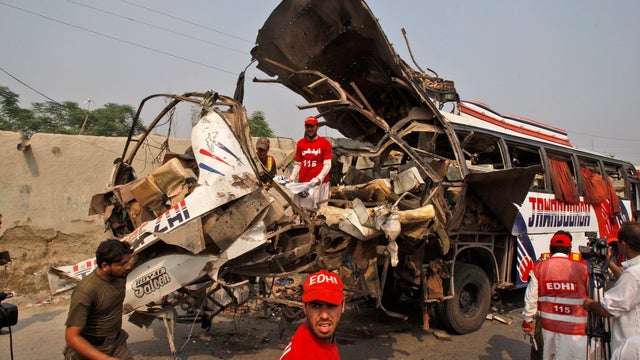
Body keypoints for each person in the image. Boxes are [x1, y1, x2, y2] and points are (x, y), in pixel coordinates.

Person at [522, 230, 589, 360]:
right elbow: (594, 300)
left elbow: (531, 297)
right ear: (569, 249)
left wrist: (527, 320)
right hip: (576, 331)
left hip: (548, 328)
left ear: (550, 248)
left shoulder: (539, 268)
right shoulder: (584, 269)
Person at [64, 239, 134, 360]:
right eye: (122, 264)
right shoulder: (86, 290)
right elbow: (71, 337)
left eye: (128, 261)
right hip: (90, 348)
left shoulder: (120, 275)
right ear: (105, 266)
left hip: (117, 343)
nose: (128, 266)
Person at [583, 222, 640, 354]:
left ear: (624, 244)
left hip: (630, 346)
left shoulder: (632, 275)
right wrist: (609, 263)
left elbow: (606, 310)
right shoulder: (633, 272)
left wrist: (587, 303)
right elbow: (629, 281)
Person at [281, 269, 345, 360]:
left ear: (343, 306)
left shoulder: (326, 341)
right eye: (316, 306)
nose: (324, 315)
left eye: (332, 305)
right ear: (304, 307)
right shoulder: (296, 355)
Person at [287, 116, 332, 211]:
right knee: (303, 213)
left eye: (312, 126)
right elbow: (298, 164)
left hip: (320, 185)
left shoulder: (325, 143)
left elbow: (327, 164)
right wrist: (292, 177)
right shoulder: (300, 143)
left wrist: (319, 178)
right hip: (304, 184)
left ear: (317, 127)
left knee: (320, 214)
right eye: (307, 127)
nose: (309, 129)